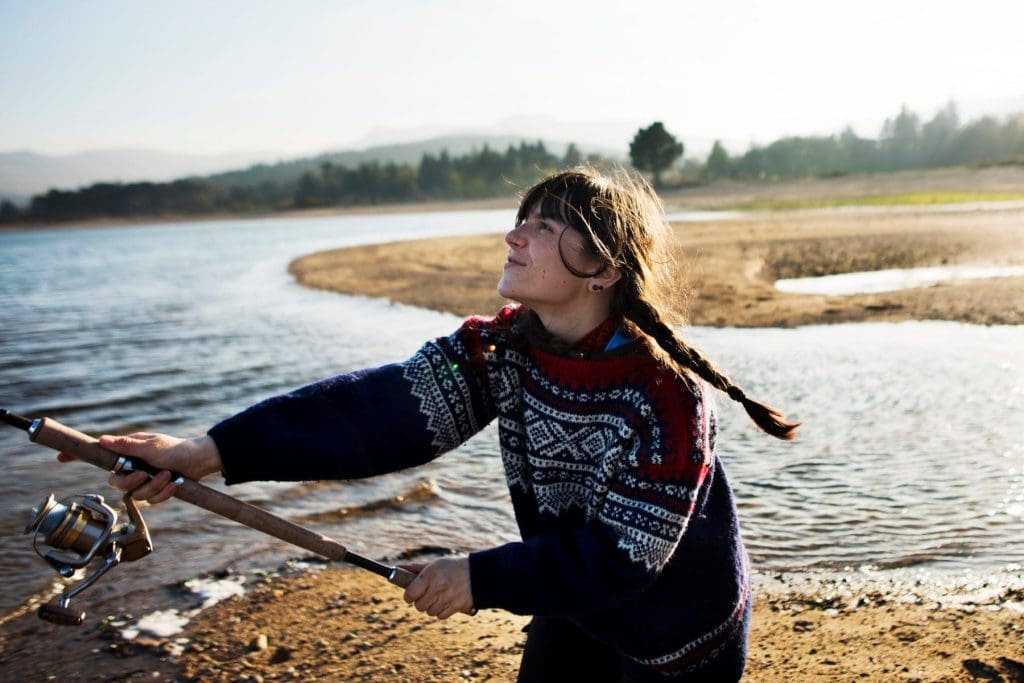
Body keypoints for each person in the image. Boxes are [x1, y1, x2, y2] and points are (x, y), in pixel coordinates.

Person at [64, 167, 797, 681]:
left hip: (678, 639)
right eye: (522, 219)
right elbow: (371, 414)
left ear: (602, 268)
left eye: (543, 226)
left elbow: (620, 557)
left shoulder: (665, 398)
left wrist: (478, 576)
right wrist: (207, 450)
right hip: (571, 609)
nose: (515, 236)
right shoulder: (503, 349)